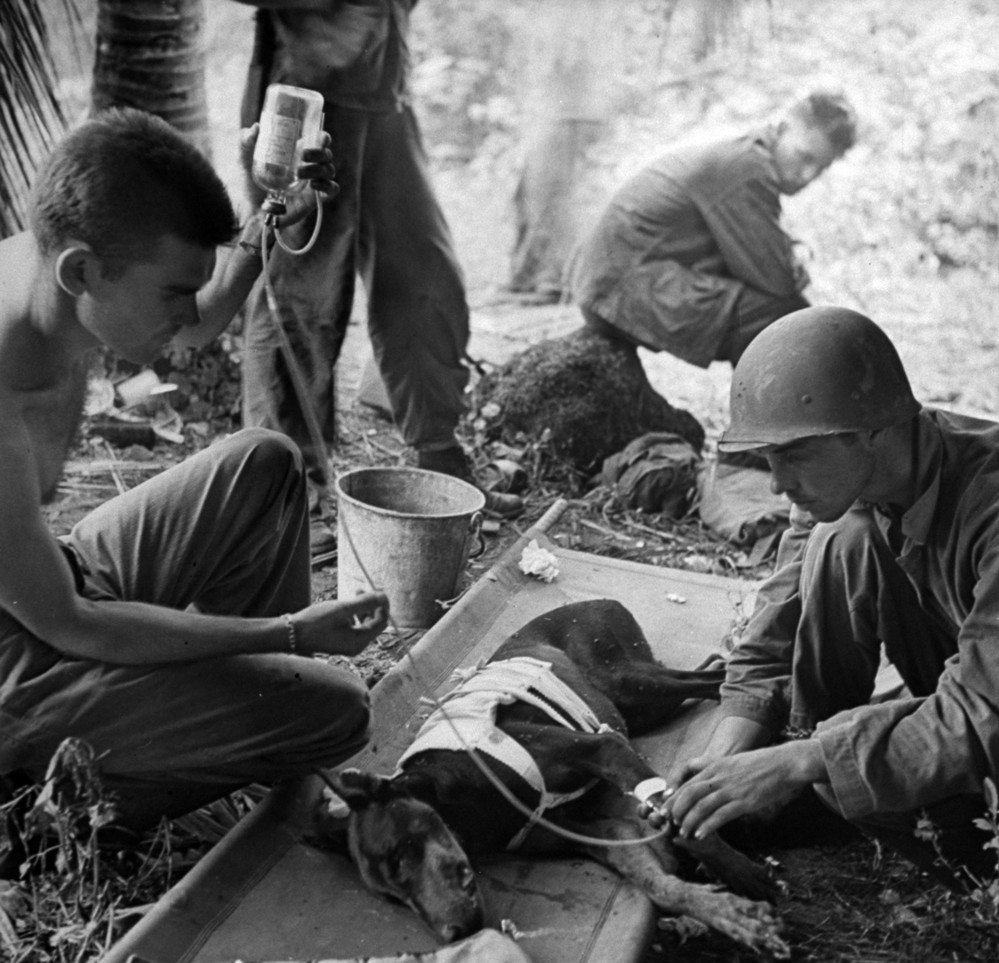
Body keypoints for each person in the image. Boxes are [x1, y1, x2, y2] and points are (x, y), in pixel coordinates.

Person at [0, 107, 390, 873]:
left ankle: (232, 710)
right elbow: (77, 626)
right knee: (338, 712)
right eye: (173, 292)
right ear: (82, 272)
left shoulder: (48, 268)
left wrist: (271, 212)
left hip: (48, 576)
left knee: (264, 463)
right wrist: (286, 635)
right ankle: (46, 823)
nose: (189, 315)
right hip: (21, 663)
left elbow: (197, 321)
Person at [658, 306, 999, 887]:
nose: (775, 482)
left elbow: (983, 715)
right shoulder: (854, 481)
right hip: (966, 681)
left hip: (988, 710)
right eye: (768, 459)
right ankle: (825, 784)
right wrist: (729, 753)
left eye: (793, 455)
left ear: (873, 431)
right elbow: (776, 622)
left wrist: (807, 761)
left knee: (847, 774)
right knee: (842, 539)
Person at [232, 2, 523, 555]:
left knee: (424, 276)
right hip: (306, 98)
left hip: (385, 96)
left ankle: (438, 453)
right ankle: (286, 498)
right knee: (303, 299)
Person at [569, 90, 858, 369]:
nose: (807, 175)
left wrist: (790, 250)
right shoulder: (747, 166)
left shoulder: (748, 155)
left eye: (820, 168)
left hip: (616, 283)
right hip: (618, 290)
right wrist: (789, 260)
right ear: (783, 127)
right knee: (786, 318)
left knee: (784, 316)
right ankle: (770, 417)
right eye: (804, 157)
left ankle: (769, 412)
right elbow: (776, 278)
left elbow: (758, 244)